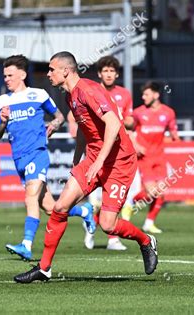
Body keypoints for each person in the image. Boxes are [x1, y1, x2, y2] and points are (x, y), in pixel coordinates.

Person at [14, 51, 158, 283]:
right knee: (60, 207)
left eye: (51, 69)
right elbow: (84, 127)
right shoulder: (70, 96)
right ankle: (44, 268)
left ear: (66, 71)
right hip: (93, 159)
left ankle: (146, 241)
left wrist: (100, 161)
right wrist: (77, 158)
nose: (48, 74)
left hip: (119, 162)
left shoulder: (88, 90)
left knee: (108, 225)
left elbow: (113, 123)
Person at [0, 54, 96, 261]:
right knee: (51, 208)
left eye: (10, 75)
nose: (6, 79)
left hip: (37, 154)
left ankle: (26, 245)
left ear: (22, 74)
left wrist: (54, 126)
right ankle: (84, 211)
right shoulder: (1, 101)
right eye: (4, 76)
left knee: (30, 196)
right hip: (18, 159)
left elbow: (59, 117)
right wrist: (2, 122)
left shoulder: (38, 95)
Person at [80, 55, 141, 251]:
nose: (108, 74)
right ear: (99, 74)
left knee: (115, 199)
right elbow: (77, 117)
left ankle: (113, 239)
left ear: (116, 74)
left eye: (112, 71)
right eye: (105, 71)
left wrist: (126, 121)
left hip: (118, 154)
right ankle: (90, 226)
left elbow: (130, 120)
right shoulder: (92, 91)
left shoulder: (124, 94)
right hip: (95, 151)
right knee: (95, 200)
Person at [130, 81, 180, 234]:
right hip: (144, 158)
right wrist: (136, 145)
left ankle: (149, 223)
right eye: (143, 94)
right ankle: (130, 203)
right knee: (152, 193)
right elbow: (128, 131)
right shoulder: (138, 113)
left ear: (156, 95)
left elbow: (174, 133)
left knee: (161, 193)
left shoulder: (168, 112)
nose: (143, 97)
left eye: (146, 94)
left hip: (160, 157)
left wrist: (176, 139)